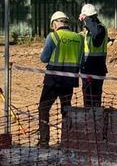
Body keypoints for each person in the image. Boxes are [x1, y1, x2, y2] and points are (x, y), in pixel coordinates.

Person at [38, 11, 84, 147]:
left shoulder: (54, 36)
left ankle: (44, 141)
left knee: (43, 108)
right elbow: (82, 60)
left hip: (53, 79)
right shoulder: (79, 38)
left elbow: (44, 58)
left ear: (55, 23)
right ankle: (67, 141)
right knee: (66, 109)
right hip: (69, 81)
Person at [79, 4, 108, 107]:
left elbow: (96, 36)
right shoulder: (88, 31)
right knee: (88, 98)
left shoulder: (100, 29)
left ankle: (95, 118)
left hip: (96, 68)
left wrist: (86, 19)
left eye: (85, 18)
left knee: (95, 98)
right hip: (88, 68)